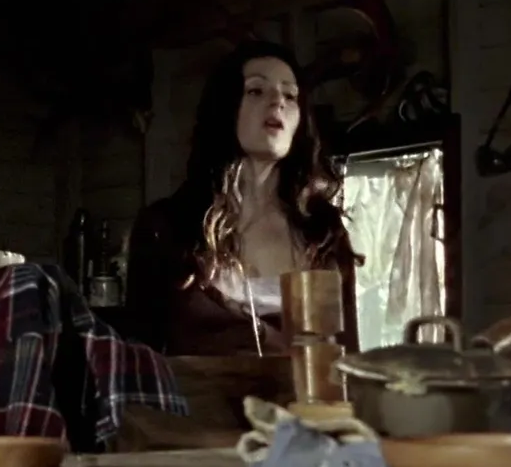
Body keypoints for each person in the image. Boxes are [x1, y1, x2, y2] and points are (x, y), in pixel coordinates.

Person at [126, 40, 361, 356]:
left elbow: (347, 359)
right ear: (226, 107)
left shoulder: (323, 231)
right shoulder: (165, 227)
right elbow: (138, 360)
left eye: (290, 95)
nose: (277, 101)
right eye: (256, 90)